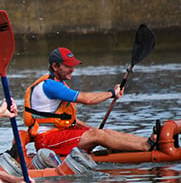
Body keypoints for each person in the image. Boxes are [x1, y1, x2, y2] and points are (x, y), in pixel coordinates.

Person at [24, 47, 158, 157]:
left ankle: (149, 142)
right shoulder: (50, 85)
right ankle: (145, 147)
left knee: (104, 132)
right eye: (68, 66)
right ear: (55, 66)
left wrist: (92, 130)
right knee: (98, 135)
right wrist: (111, 93)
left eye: (73, 66)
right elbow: (87, 99)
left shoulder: (59, 83)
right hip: (47, 141)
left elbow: (71, 120)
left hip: (60, 134)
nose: (73, 69)